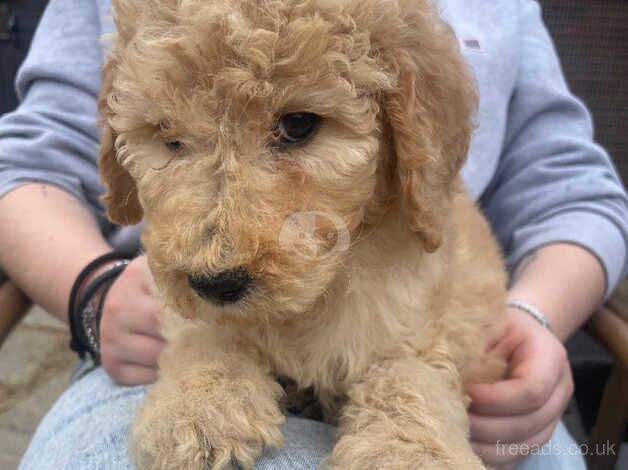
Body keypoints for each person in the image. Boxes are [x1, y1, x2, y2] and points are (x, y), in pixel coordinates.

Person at [0, 0, 625, 468]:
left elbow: (574, 189)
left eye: (297, 126)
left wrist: (535, 315)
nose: (219, 253)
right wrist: (92, 290)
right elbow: (25, 165)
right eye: (169, 139)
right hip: (161, 339)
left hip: (451, 359)